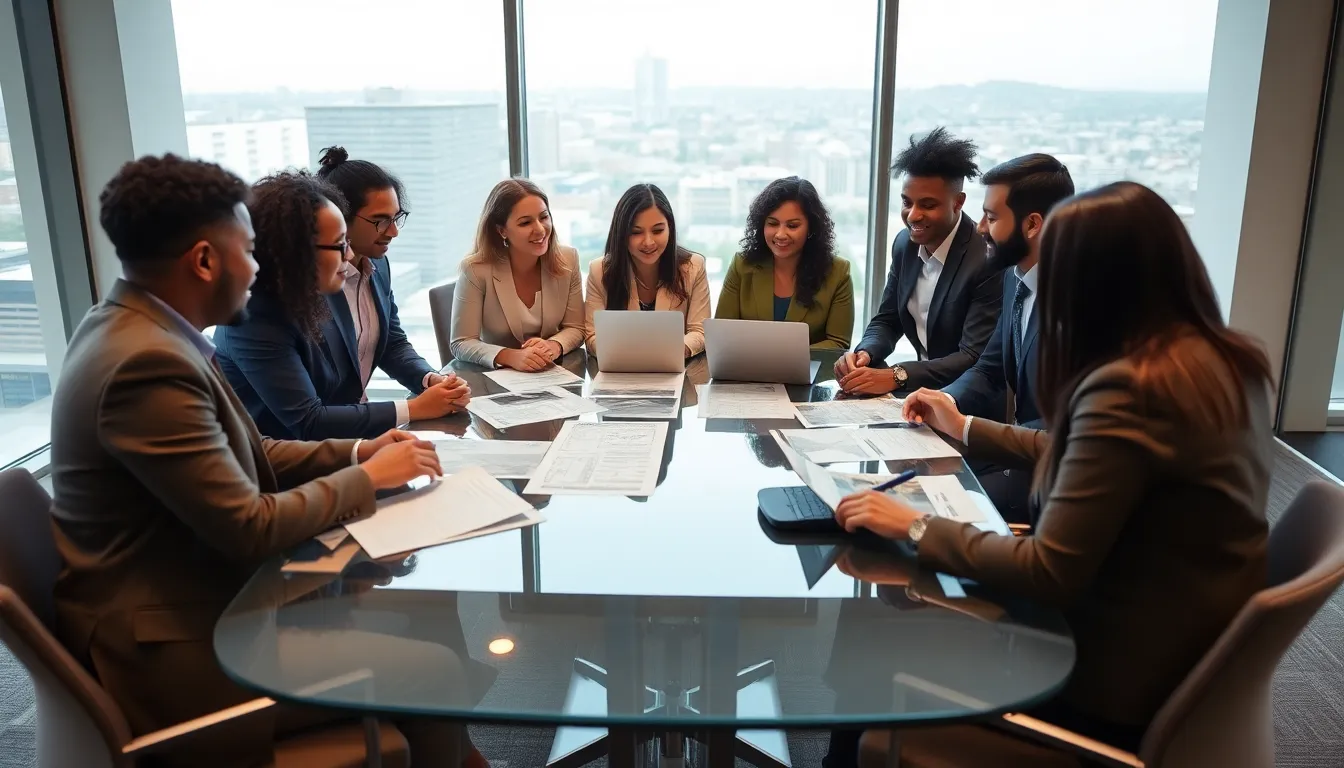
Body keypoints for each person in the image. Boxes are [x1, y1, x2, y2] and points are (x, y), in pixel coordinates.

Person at [47, 154, 488, 767]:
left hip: (193, 596)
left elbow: (247, 453)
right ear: (204, 260)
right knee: (434, 669)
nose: (260, 267)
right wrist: (365, 477)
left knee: (424, 609)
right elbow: (246, 527)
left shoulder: (144, 330)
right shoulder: (145, 365)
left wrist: (362, 449)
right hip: (178, 644)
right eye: (250, 250)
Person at [831, 181, 1273, 763]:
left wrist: (912, 524)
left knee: (871, 637)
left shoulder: (1129, 389)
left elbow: (1048, 572)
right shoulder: (1218, 362)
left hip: (1094, 677)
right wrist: (964, 425)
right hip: (1172, 650)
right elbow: (1090, 456)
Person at [213, 166, 469, 440]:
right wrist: (414, 408)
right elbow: (307, 421)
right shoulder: (256, 314)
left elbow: (390, 342)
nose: (348, 256)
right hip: (285, 463)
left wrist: (428, 380)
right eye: (339, 244)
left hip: (347, 440)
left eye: (396, 218)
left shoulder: (371, 267)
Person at [941, 153, 1075, 523]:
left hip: (1057, 478)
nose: (981, 227)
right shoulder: (1013, 276)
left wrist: (964, 427)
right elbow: (990, 368)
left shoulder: (1077, 303)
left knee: (933, 507)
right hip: (1016, 451)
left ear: (1033, 225)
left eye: (993, 217)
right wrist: (943, 400)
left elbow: (1068, 432)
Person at [836, 127, 1001, 395]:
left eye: (927, 205)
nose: (912, 215)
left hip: (967, 399)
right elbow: (888, 320)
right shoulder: (905, 245)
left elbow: (972, 356)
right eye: (906, 202)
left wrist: (898, 374)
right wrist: (865, 353)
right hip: (917, 392)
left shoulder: (985, 259)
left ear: (958, 202)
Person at [450, 178, 585, 369]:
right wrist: (510, 356)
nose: (539, 229)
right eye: (525, 223)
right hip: (497, 383)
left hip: (553, 373)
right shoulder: (475, 269)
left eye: (544, 217)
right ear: (501, 230)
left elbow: (576, 327)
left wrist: (553, 346)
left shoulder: (569, 259)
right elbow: (461, 342)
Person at [714, 176, 855, 349]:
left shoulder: (838, 272)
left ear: (811, 228)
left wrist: (783, 355)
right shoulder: (742, 265)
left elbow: (838, 343)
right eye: (772, 224)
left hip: (810, 374)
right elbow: (722, 333)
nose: (780, 234)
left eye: (792, 226)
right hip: (747, 372)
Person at [584, 183, 712, 358]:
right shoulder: (599, 271)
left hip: (675, 368)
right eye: (636, 232)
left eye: (658, 230)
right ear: (621, 233)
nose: (648, 242)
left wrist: (673, 351)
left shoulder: (693, 267)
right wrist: (624, 354)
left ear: (670, 228)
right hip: (621, 369)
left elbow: (700, 331)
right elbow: (592, 336)